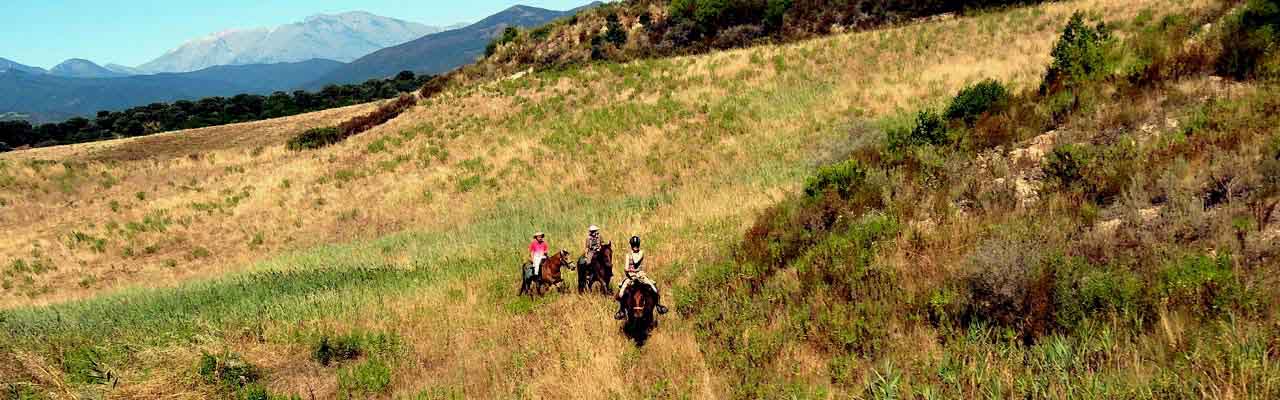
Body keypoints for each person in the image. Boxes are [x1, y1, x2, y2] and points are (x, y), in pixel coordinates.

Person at [615, 235, 668, 320]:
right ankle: (621, 310)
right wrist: (628, 272)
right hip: (631, 275)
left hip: (640, 274)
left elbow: (636, 261)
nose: (635, 247)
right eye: (634, 245)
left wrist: (636, 271)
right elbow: (626, 267)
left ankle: (658, 305)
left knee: (654, 288)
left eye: (637, 245)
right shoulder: (627, 255)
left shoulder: (641, 252)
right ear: (631, 246)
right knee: (621, 292)